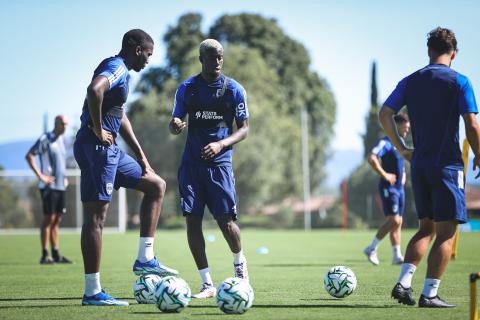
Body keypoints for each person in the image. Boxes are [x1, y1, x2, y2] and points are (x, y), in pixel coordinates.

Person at [74, 29, 178, 307]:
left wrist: (141, 156)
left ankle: (145, 259)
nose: (148, 60)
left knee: (155, 185)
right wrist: (97, 129)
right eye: (148, 54)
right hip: (96, 147)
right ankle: (92, 292)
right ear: (135, 48)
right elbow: (94, 91)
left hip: (110, 150)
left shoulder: (122, 73)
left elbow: (119, 117)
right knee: (96, 218)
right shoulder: (116, 67)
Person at [380, 27, 480, 308]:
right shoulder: (460, 81)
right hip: (447, 166)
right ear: (454, 54)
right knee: (447, 232)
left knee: (426, 229)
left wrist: (401, 148)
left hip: (419, 165)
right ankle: (430, 294)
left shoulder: (411, 81)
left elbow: (384, 114)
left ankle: (404, 282)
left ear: (428, 51)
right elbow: (472, 124)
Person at [169, 39, 250, 299]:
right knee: (192, 221)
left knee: (226, 222)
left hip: (220, 165)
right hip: (191, 165)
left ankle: (240, 271)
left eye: (220, 57)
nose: (217, 61)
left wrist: (221, 144)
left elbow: (244, 129)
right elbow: (176, 120)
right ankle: (207, 284)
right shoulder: (187, 89)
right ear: (201, 59)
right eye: (212, 57)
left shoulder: (233, 90)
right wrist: (176, 124)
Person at [364, 114, 410, 266]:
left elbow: (400, 163)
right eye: (406, 127)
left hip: (399, 188)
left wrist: (402, 175)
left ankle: (397, 256)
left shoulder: (401, 143)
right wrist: (385, 174)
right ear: (397, 126)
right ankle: (371, 248)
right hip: (388, 187)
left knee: (399, 222)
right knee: (394, 220)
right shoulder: (386, 142)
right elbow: (372, 158)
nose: (407, 130)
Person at [26, 115, 72, 265]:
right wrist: (41, 176)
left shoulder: (61, 140)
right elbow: (30, 155)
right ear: (56, 124)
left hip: (60, 186)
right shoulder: (46, 138)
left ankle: (56, 254)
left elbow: (61, 163)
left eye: (66, 124)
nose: (65, 127)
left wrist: (64, 177)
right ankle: (45, 255)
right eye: (62, 124)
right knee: (49, 219)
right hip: (48, 187)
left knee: (57, 220)